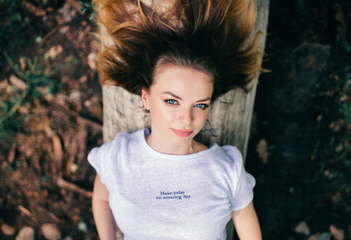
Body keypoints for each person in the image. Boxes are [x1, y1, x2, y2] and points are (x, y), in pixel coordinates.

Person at [88, 0, 263, 239]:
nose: (187, 119)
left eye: (200, 105)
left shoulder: (227, 170)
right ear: (146, 97)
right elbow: (101, 197)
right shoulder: (118, 157)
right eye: (172, 101)